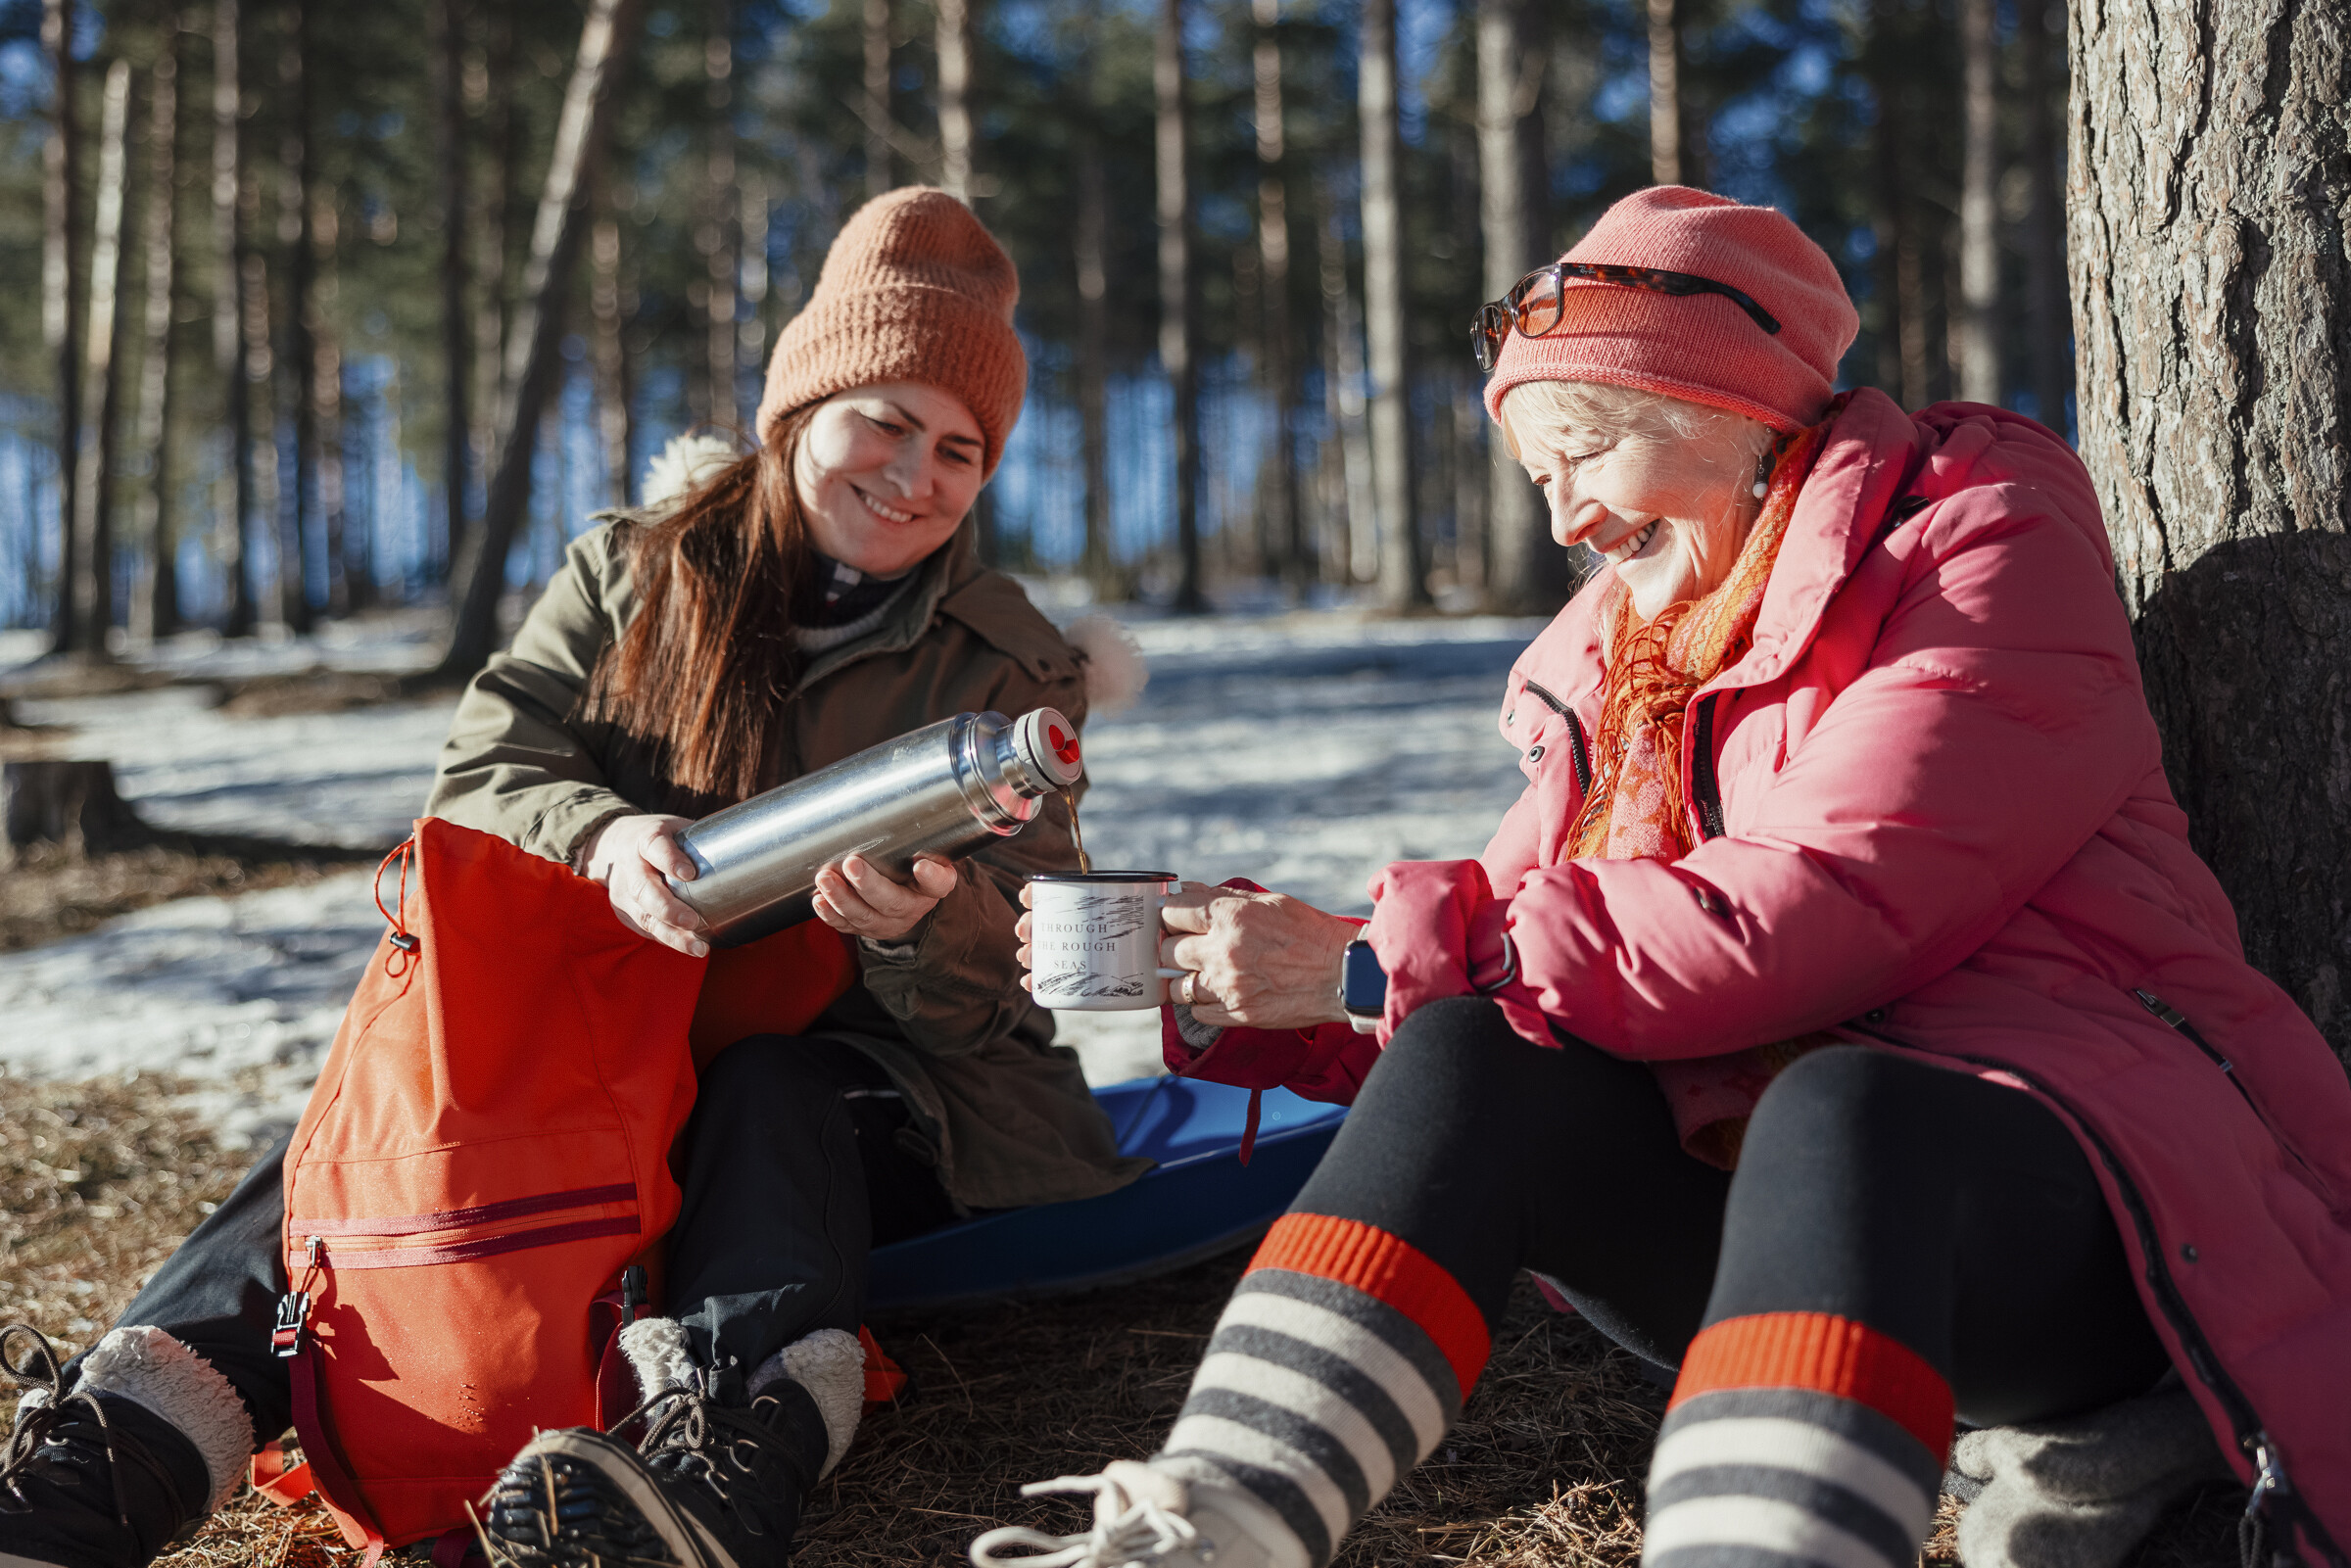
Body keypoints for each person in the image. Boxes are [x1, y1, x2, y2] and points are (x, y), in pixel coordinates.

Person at [970, 186, 2351, 1568]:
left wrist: (1358, 955)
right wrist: (1241, 969)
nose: (1566, 516)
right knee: (1468, 1052)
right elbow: (1495, 964)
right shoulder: (1624, 667)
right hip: (1781, 1227)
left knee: (1845, 1105)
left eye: (1581, 450)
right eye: (1537, 475)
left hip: (2095, 1215)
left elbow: (1816, 908)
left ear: (1722, 406)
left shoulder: (1977, 544)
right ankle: (1207, 1527)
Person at [0, 188, 1144, 1568]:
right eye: (886, 419)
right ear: (800, 412)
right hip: (606, 1044)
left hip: (895, 1089)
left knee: (772, 1085)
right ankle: (97, 1474)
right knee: (377, 1133)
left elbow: (1020, 967)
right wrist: (603, 838)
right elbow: (481, 772)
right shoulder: (634, 577)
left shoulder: (1006, 666)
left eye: (962, 448)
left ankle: (716, 1472)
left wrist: (920, 930)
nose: (919, 473)